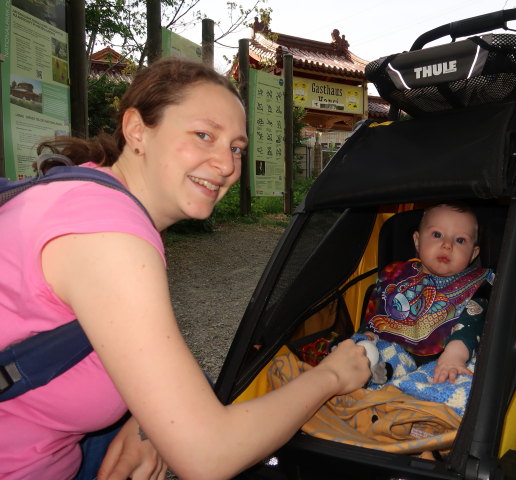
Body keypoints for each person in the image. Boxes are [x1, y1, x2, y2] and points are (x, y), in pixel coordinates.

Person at [0, 57, 370, 480]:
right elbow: (208, 454)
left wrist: (143, 422)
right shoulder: (109, 235)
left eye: (235, 148)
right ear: (137, 129)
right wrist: (332, 375)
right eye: (203, 135)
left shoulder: (84, 187)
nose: (228, 165)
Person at [360, 203, 493, 384]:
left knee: (467, 381)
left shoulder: (474, 286)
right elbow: (376, 313)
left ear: (473, 254)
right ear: (417, 241)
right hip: (385, 354)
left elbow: (472, 324)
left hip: (442, 366)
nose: (447, 245)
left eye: (460, 240)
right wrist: (367, 335)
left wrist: (455, 356)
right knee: (357, 348)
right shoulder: (396, 275)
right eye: (437, 235)